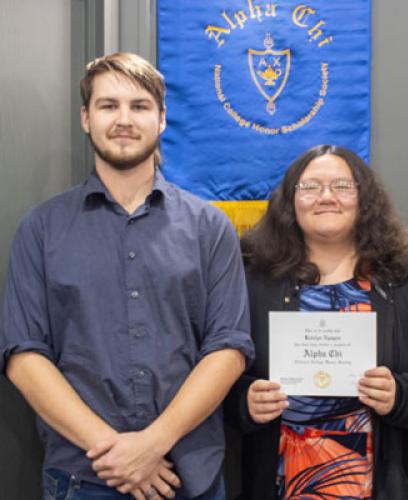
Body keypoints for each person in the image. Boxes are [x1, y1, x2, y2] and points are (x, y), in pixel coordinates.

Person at [0, 52, 254, 500]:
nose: (123, 119)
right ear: (85, 117)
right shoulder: (41, 229)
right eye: (108, 105)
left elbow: (228, 348)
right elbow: (24, 356)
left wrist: (152, 445)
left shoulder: (208, 227)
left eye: (139, 106)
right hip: (81, 477)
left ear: (161, 119)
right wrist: (116, 453)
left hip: (188, 475)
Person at [224, 145, 408, 499]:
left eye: (343, 187)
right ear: (290, 201)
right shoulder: (251, 279)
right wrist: (244, 401)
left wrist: (402, 394)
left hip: (384, 486)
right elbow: (210, 369)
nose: (326, 197)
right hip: (278, 483)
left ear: (365, 199)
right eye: (311, 187)